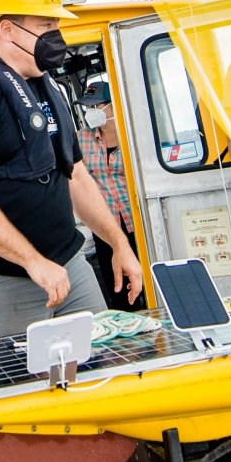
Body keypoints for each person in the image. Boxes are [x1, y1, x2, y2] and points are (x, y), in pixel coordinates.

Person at [0, 0, 142, 345]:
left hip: (69, 267)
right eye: (46, 26)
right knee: (10, 390)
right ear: (8, 29)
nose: (55, 37)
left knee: (99, 370)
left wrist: (118, 243)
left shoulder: (49, 88)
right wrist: (33, 262)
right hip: (1, 280)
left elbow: (75, 174)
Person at [74, 80, 146, 312]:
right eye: (88, 108)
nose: (92, 113)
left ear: (113, 106)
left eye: (97, 106)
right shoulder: (80, 139)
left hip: (139, 223)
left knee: (148, 282)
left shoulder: (135, 134)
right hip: (106, 228)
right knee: (120, 289)